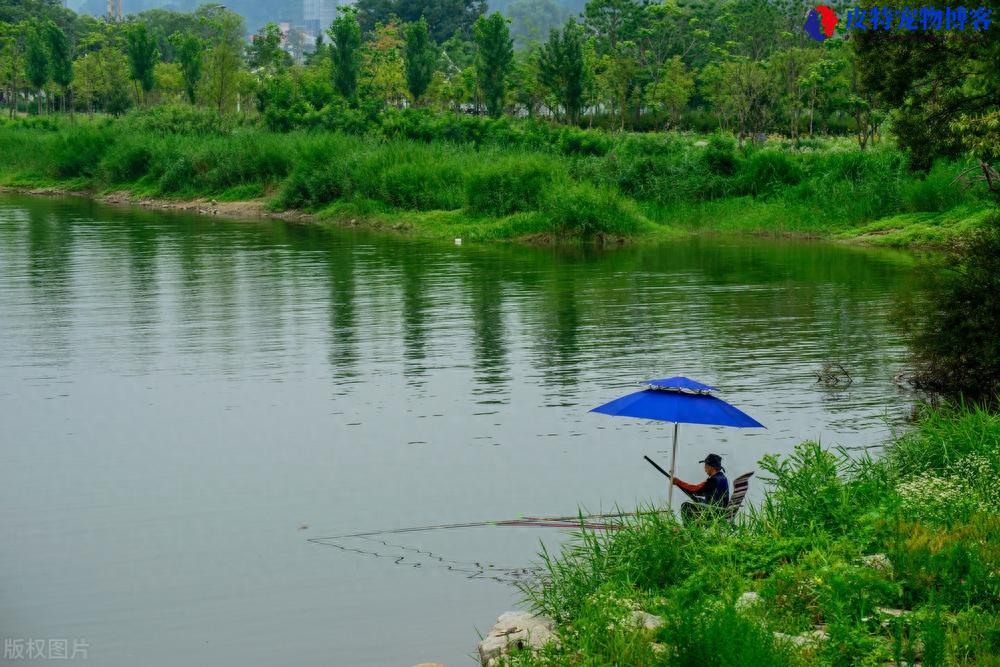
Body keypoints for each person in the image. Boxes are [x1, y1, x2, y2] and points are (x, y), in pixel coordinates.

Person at [672, 453, 730, 523]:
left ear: (711, 467)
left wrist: (678, 482)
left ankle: (690, 531)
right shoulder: (723, 478)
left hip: (713, 512)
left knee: (685, 506)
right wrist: (678, 484)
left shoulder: (713, 480)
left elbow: (695, 490)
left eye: (705, 465)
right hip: (720, 510)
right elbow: (702, 492)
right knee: (698, 500)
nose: (704, 468)